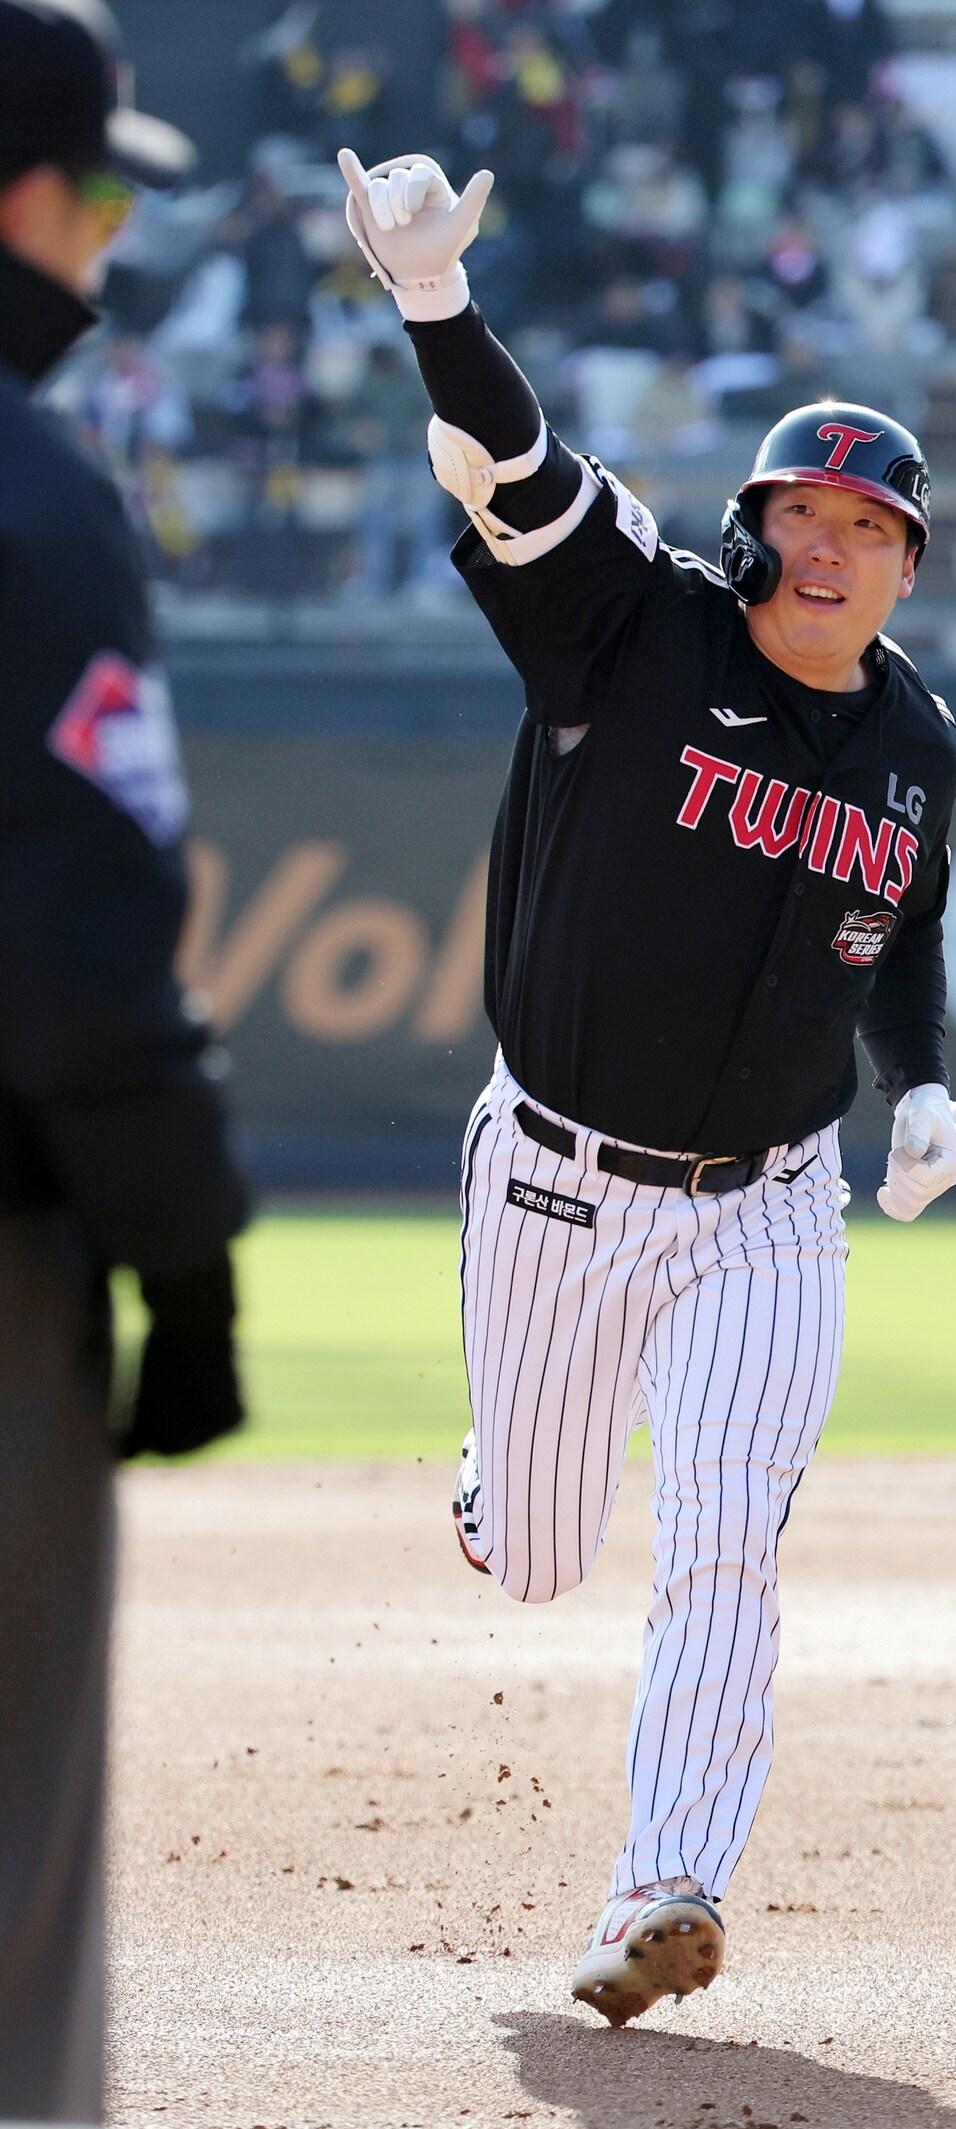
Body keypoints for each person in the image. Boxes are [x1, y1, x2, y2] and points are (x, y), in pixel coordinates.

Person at [338, 146, 956, 2028]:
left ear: (909, 560)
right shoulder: (637, 625)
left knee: (720, 1526)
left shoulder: (918, 739)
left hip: (772, 1197)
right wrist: (438, 305)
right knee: (537, 1560)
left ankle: (665, 1884)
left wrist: (917, 1083)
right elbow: (519, 479)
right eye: (802, 510)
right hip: (551, 1174)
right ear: (756, 524)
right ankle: (494, 1487)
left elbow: (901, 924)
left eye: (869, 523)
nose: (829, 542)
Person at [0, 3, 249, 2116]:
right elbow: (82, 946)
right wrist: (187, 1257)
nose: (99, 245)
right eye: (93, 198)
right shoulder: (40, 505)